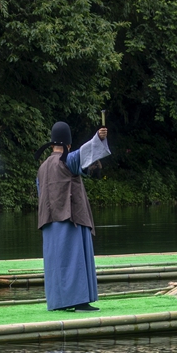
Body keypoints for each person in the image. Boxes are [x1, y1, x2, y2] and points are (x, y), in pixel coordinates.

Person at [36, 121, 110, 312]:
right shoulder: (67, 159)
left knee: (55, 262)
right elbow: (86, 152)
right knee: (73, 259)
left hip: (49, 221)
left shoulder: (42, 167)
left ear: (52, 144)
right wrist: (99, 138)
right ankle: (80, 301)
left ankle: (58, 302)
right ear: (68, 144)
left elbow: (40, 193)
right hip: (69, 219)